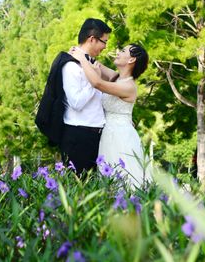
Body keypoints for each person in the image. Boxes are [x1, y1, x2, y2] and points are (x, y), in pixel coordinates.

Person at [71, 43, 152, 187]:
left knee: (124, 179)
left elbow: (97, 83)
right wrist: (81, 52)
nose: (118, 52)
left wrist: (81, 59)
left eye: (122, 50)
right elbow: (98, 66)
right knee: (110, 180)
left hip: (121, 137)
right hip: (108, 135)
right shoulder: (117, 78)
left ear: (131, 60)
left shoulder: (128, 86)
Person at [60, 18, 117, 175]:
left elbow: (116, 78)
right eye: (104, 42)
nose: (105, 47)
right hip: (79, 137)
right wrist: (94, 82)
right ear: (92, 39)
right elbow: (76, 102)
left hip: (96, 137)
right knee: (79, 193)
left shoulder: (92, 64)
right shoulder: (71, 66)